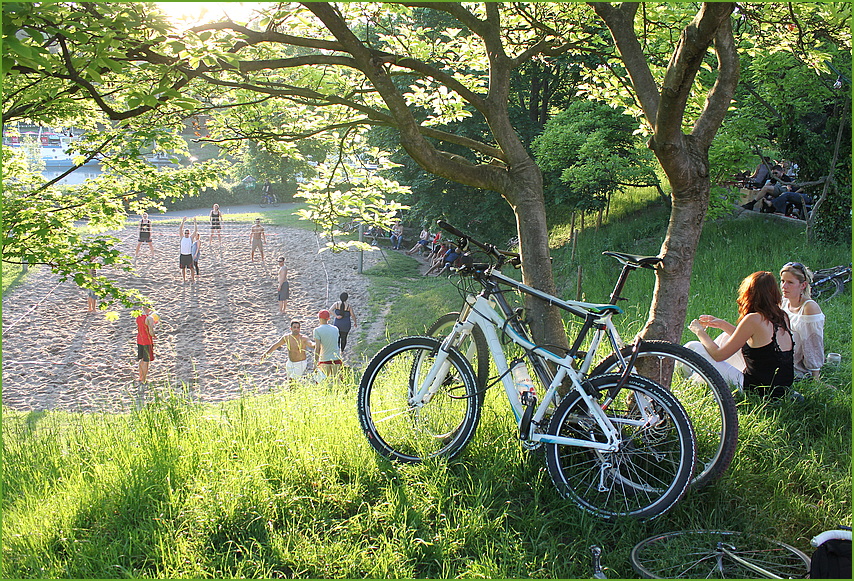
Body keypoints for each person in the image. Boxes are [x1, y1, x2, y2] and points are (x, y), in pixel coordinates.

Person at [686, 271, 794, 399]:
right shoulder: (782, 315)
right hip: (781, 388)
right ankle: (696, 379)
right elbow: (753, 341)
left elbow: (718, 355)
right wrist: (722, 324)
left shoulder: (753, 319)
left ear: (749, 294)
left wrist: (700, 332)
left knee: (694, 346)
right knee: (725, 337)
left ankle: (685, 381)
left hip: (756, 390)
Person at [780, 262, 825, 379]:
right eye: (782, 281)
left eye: (790, 283)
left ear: (803, 285)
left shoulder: (809, 308)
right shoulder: (784, 301)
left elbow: (813, 342)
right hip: (778, 352)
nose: (784, 286)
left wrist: (816, 377)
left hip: (794, 363)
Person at [314, 310, 342, 378]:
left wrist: (315, 362)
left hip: (324, 359)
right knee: (337, 382)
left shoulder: (317, 330)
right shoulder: (335, 329)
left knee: (325, 383)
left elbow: (318, 348)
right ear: (328, 319)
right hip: (336, 359)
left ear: (319, 318)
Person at [136, 305, 157, 384]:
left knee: (141, 359)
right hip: (147, 341)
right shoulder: (149, 318)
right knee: (146, 361)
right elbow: (151, 332)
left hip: (139, 339)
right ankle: (144, 379)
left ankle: (140, 377)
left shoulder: (138, 317)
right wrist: (154, 335)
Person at [178, 217, 195, 282]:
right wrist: (183, 221)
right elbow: (180, 229)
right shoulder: (182, 238)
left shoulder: (190, 238)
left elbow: (195, 231)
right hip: (183, 255)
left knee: (191, 268)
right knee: (183, 268)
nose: (186, 234)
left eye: (187, 233)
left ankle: (193, 279)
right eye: (185, 233)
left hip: (189, 255)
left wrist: (195, 223)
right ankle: (184, 279)